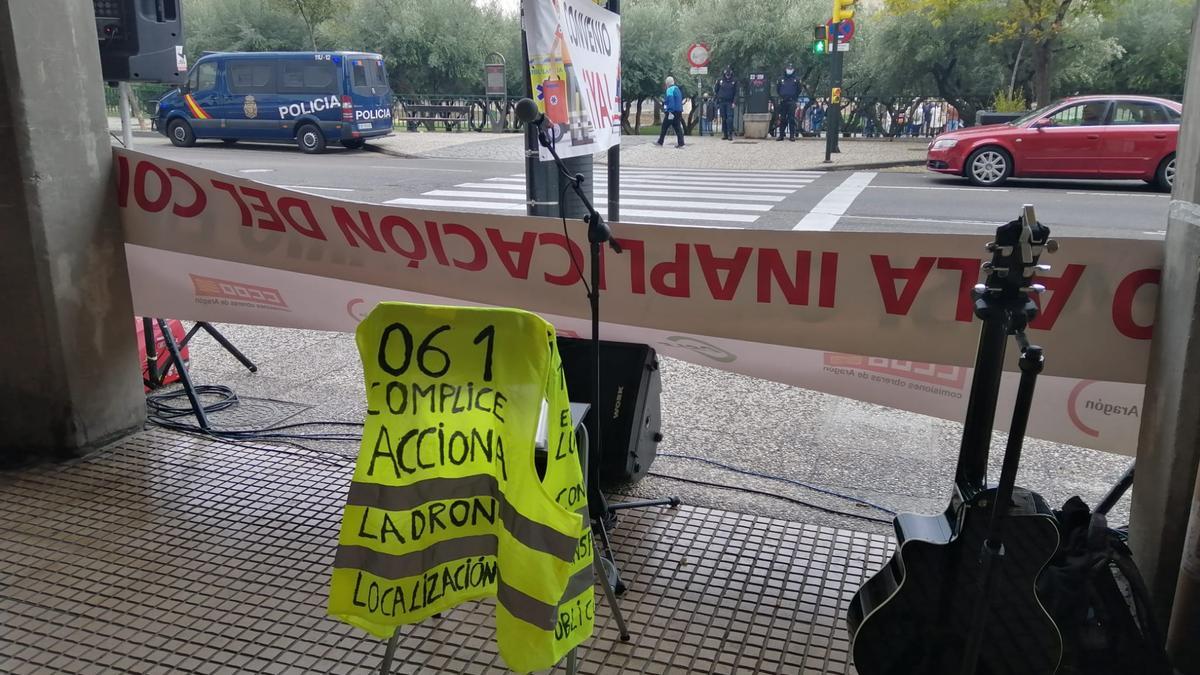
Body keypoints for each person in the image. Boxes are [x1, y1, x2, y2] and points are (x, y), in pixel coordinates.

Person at [656, 76, 685, 147]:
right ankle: (681, 143)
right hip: (679, 111)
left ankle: (660, 142)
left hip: (672, 111)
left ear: (667, 83)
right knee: (677, 127)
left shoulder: (669, 90)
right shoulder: (677, 89)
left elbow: (671, 101)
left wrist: (669, 111)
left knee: (664, 126)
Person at [775, 64, 800, 141]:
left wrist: (794, 97)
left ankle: (792, 136)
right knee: (782, 118)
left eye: (791, 68)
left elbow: (799, 90)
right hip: (783, 101)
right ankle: (781, 135)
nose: (789, 70)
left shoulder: (796, 79)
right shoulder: (781, 79)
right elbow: (778, 89)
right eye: (788, 68)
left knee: (791, 119)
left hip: (792, 101)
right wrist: (782, 96)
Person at [715, 65, 738, 140]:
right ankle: (725, 134)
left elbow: (736, 93)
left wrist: (734, 102)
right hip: (722, 102)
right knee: (724, 118)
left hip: (730, 102)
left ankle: (730, 134)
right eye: (726, 75)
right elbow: (716, 90)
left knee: (730, 118)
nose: (727, 76)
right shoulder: (720, 81)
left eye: (729, 75)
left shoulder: (734, 81)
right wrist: (719, 98)